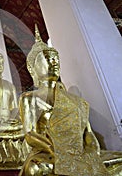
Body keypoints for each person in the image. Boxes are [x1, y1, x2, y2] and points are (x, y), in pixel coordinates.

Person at [19, 25, 109, 175]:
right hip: (49, 151)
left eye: (56, 58)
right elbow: (30, 134)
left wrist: (93, 152)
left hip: (78, 150)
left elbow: (88, 132)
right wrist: (55, 151)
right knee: (36, 169)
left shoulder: (75, 100)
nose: (54, 62)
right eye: (48, 58)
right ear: (32, 67)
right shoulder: (29, 98)